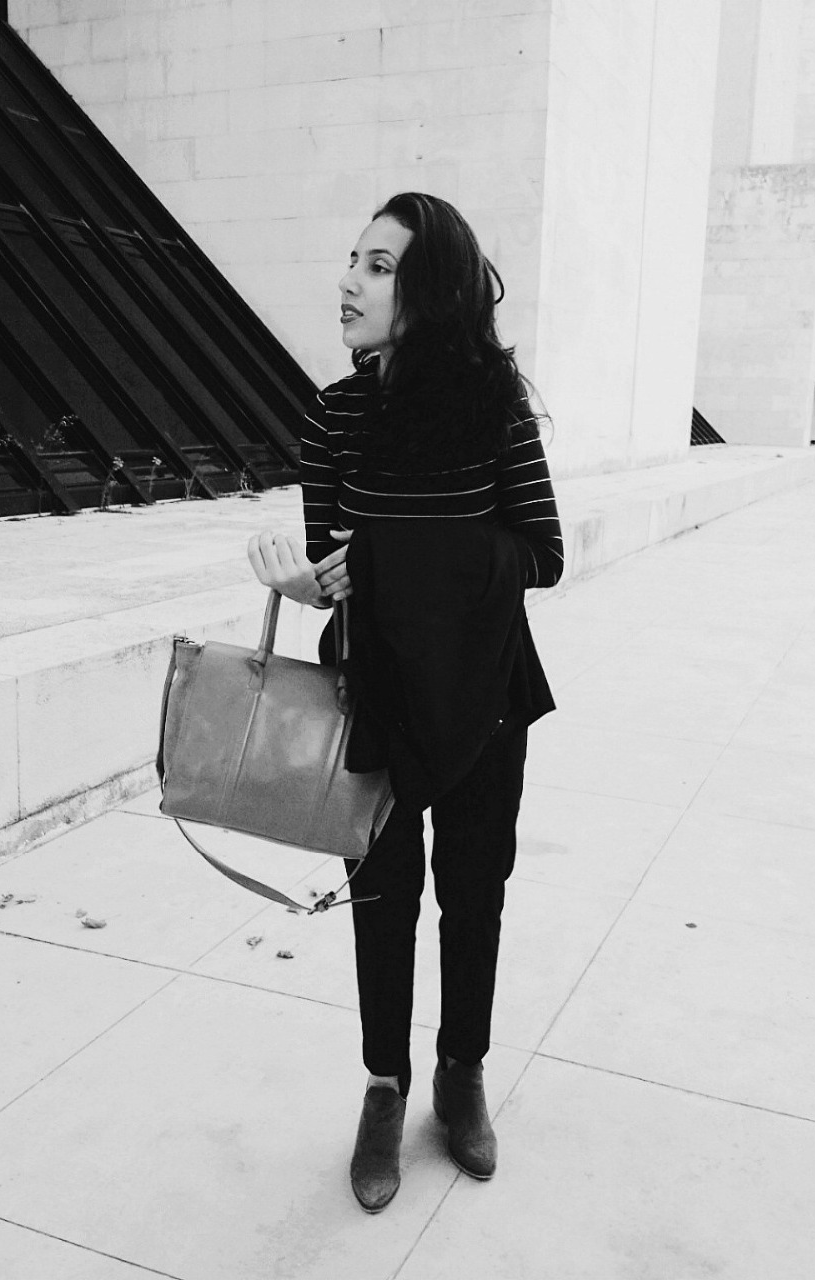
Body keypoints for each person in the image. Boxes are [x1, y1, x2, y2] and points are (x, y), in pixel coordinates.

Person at [247, 192, 563, 1213]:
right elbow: (343, 569)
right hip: (374, 691)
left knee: (474, 894)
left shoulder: (494, 408)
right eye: (353, 259)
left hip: (485, 694)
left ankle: (460, 1073)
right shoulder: (334, 415)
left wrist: (403, 555)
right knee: (381, 900)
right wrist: (309, 583)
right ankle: (384, 1087)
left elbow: (543, 553)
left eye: (378, 266)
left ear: (430, 291)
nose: (348, 281)